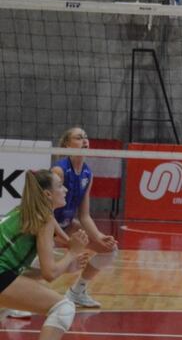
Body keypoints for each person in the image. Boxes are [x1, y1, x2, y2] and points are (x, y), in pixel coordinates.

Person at [0, 169, 91, 340]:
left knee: (35, 266)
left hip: (4, 274)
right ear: (48, 194)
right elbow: (50, 274)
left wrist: (66, 264)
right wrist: (72, 253)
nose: (65, 189)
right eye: (60, 186)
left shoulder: (25, 211)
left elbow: (26, 272)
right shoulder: (44, 220)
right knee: (63, 308)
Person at [51, 126, 118, 308]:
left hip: (66, 224)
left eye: (85, 137)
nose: (85, 140)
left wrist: (98, 237)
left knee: (109, 249)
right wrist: (68, 243)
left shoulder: (87, 174)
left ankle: (77, 292)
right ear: (67, 144)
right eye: (79, 137)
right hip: (46, 225)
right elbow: (45, 215)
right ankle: (15, 300)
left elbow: (85, 215)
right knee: (38, 261)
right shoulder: (59, 171)